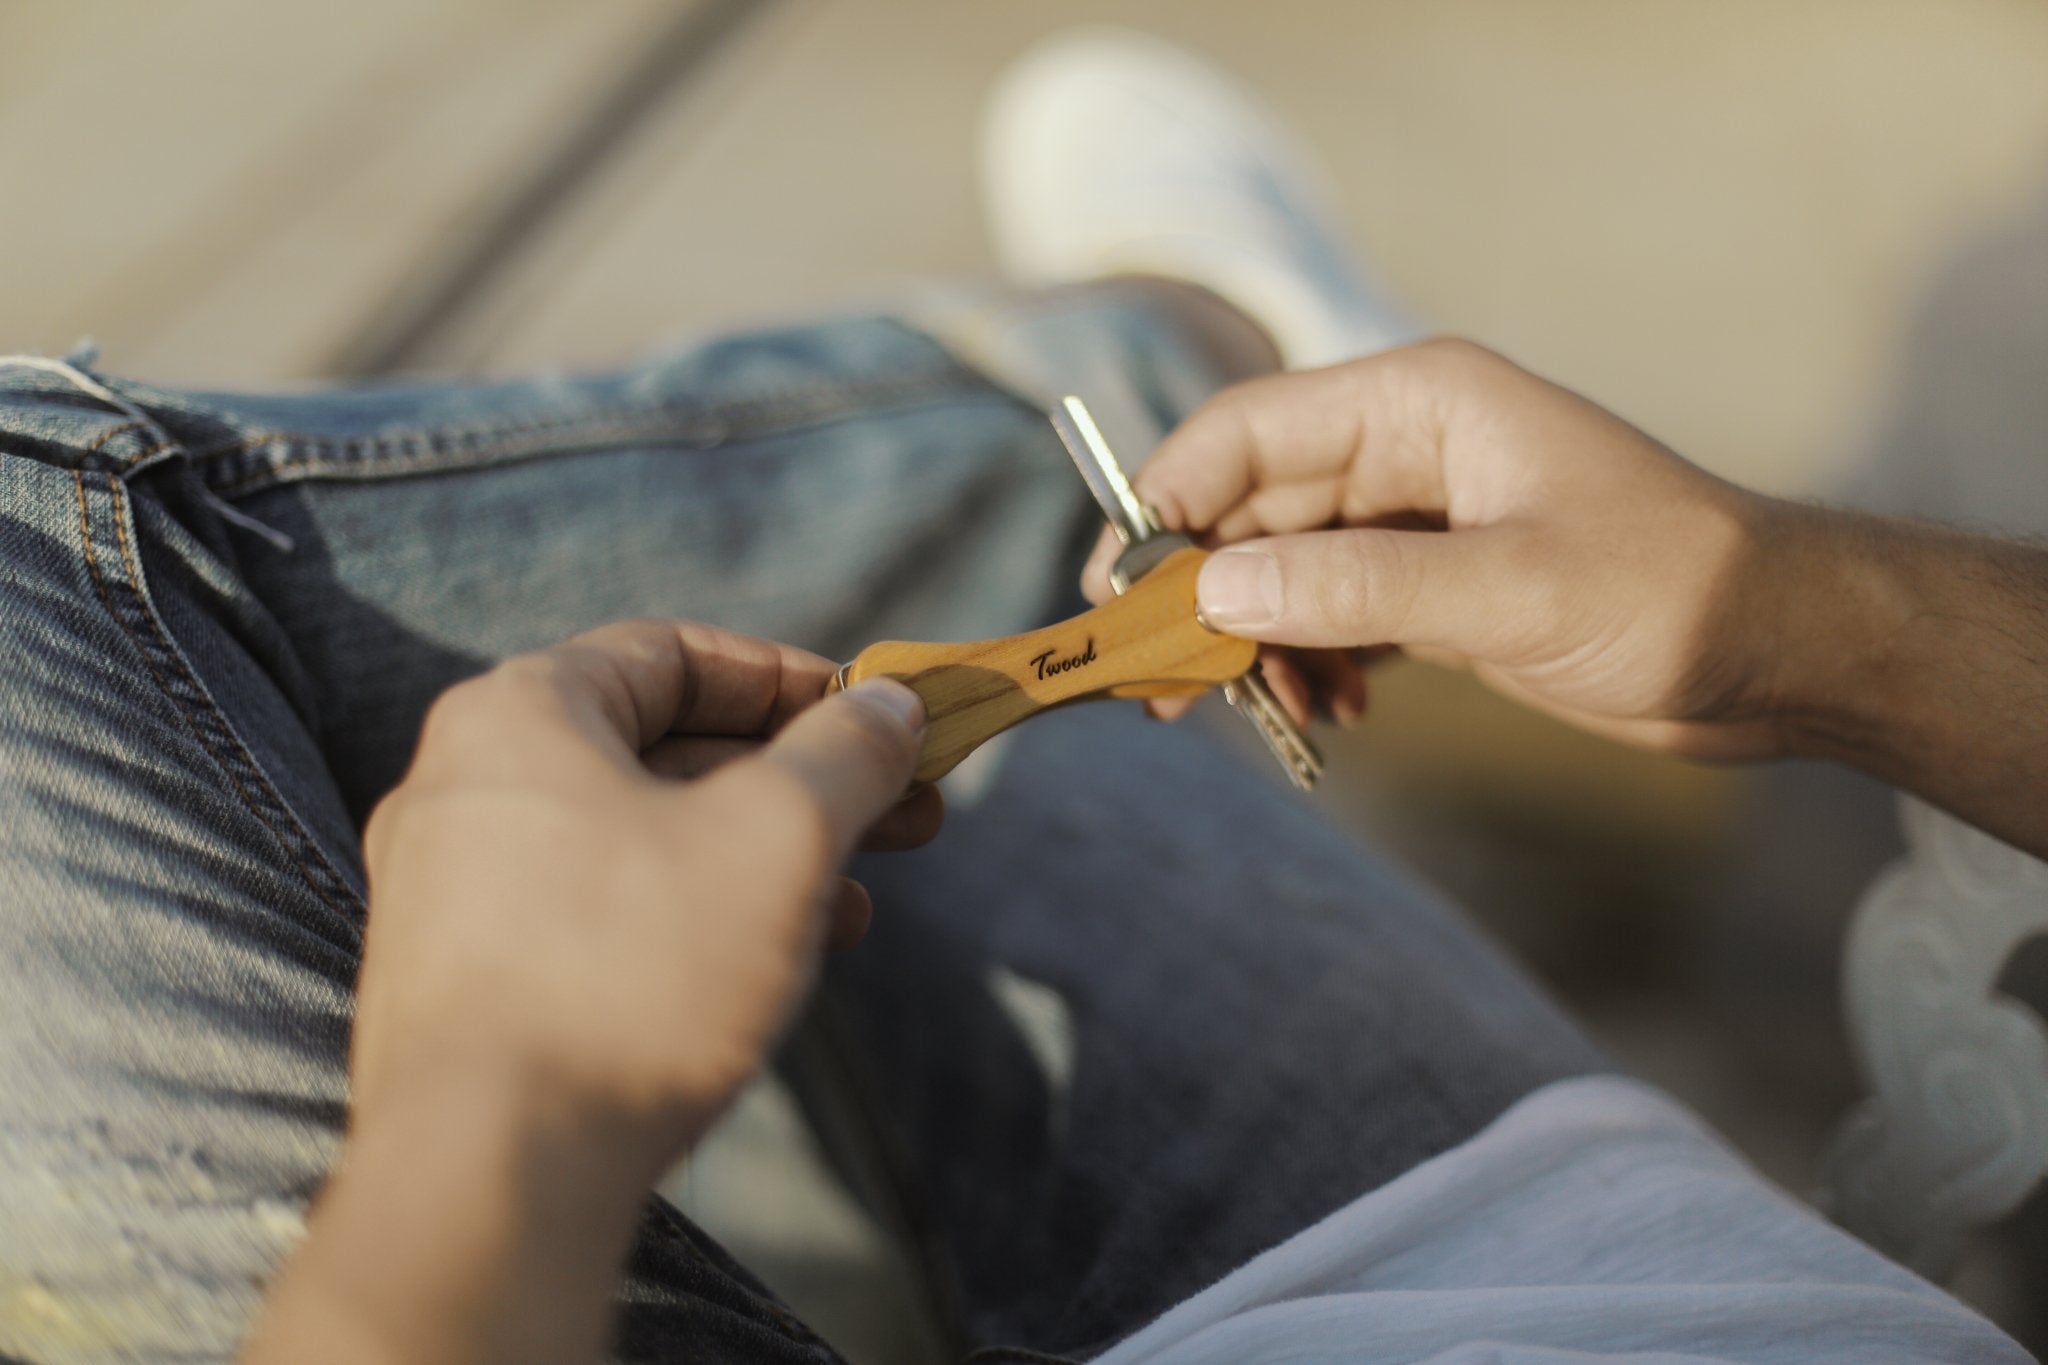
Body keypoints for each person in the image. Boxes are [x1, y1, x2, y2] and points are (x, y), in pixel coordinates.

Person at [0, 27, 2035, 1365]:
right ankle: (1122, 406)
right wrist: (1799, 617)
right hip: (1572, 1286)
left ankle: (1114, 394)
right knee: (956, 771)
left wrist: (515, 1093)